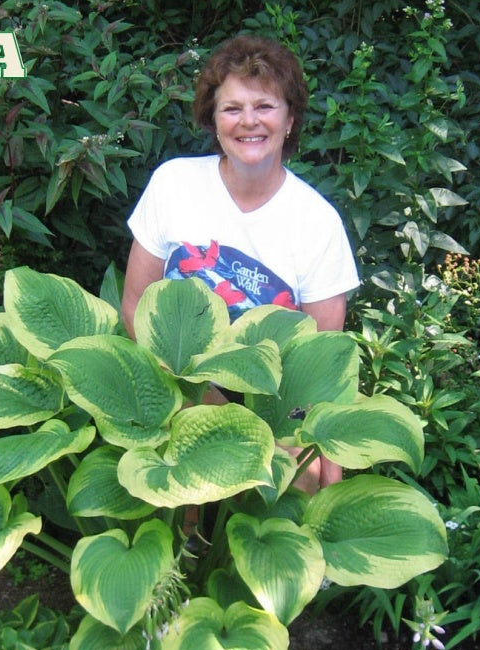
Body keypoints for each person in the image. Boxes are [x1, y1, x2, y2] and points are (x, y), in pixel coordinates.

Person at [121, 34, 360, 492]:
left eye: (265, 107)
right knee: (182, 490)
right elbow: (134, 307)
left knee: (309, 476)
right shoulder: (173, 185)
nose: (248, 121)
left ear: (290, 119)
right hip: (173, 384)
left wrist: (289, 441)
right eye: (232, 108)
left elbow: (318, 367)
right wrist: (201, 400)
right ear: (213, 120)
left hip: (271, 406)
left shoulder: (318, 224)